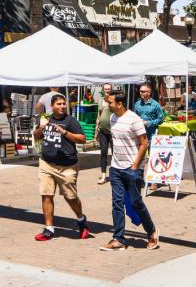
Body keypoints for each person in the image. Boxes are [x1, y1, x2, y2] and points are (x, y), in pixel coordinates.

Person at [101, 91, 159, 251]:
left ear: (119, 104)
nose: (108, 105)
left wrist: (135, 166)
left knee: (136, 202)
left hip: (132, 168)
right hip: (116, 168)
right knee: (117, 204)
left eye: (110, 102)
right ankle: (118, 238)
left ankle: (151, 231)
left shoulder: (133, 119)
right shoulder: (113, 118)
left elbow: (144, 143)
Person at [34, 93, 91, 241]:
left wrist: (64, 132)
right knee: (46, 194)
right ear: (52, 106)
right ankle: (49, 229)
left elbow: (83, 139)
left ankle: (81, 219)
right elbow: (36, 136)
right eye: (59, 104)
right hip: (47, 163)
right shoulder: (46, 119)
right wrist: (41, 128)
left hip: (67, 166)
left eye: (64, 104)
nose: (62, 106)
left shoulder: (70, 121)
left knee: (70, 197)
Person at [96, 84, 114, 185]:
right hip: (102, 130)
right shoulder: (100, 100)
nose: (107, 90)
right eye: (105, 89)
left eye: (109, 89)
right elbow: (99, 116)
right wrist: (96, 129)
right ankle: (103, 176)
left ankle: (115, 174)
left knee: (115, 153)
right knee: (103, 152)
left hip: (113, 131)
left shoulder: (114, 100)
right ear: (103, 90)